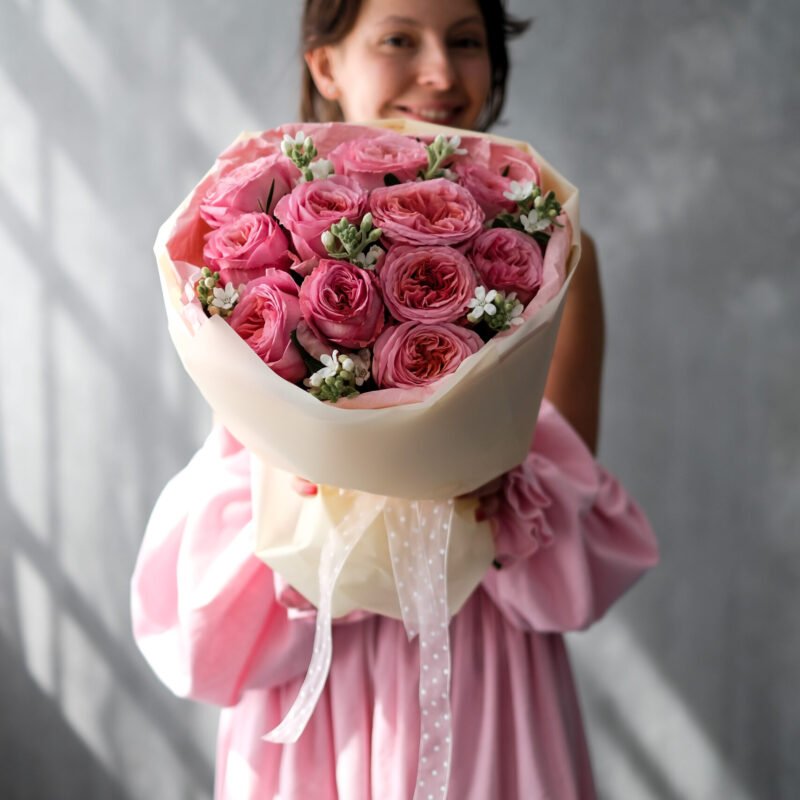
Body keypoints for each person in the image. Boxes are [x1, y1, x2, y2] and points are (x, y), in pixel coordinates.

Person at [131, 1, 658, 798]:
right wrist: (308, 489)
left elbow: (571, 493)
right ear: (325, 64)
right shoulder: (252, 252)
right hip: (318, 647)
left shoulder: (555, 259)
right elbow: (247, 454)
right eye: (399, 39)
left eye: (467, 41)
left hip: (482, 661)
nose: (441, 72)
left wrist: (503, 490)